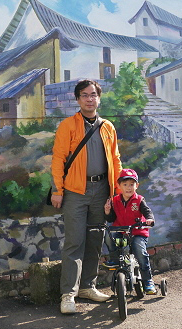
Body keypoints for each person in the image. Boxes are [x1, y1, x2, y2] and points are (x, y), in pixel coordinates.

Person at [51, 79, 122, 314]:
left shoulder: (107, 127)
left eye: (93, 95)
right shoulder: (67, 126)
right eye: (85, 95)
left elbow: (115, 159)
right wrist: (58, 190)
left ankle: (87, 287)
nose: (89, 99)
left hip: (101, 190)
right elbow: (58, 159)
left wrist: (117, 193)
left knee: (95, 240)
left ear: (99, 98)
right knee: (74, 242)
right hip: (75, 192)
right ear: (78, 99)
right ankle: (68, 294)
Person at [103, 168, 157, 294]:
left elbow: (147, 212)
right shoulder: (115, 200)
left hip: (138, 232)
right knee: (108, 236)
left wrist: (149, 219)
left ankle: (147, 280)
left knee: (140, 252)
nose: (128, 188)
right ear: (119, 186)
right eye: (125, 184)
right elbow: (111, 218)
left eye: (132, 185)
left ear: (136, 186)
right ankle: (115, 258)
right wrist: (107, 211)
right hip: (121, 230)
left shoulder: (139, 200)